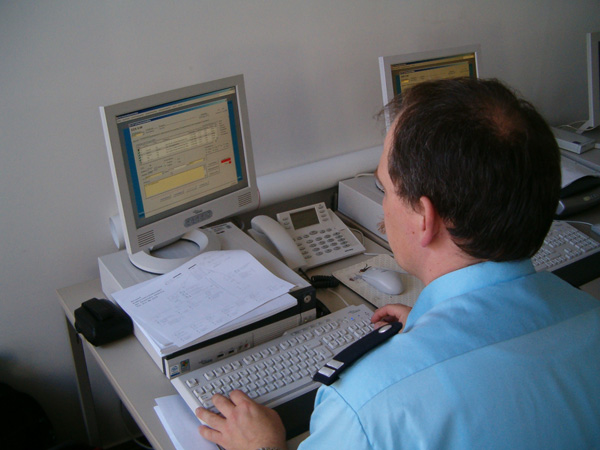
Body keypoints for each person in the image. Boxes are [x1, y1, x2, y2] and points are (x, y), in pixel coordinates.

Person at [195, 78, 600, 449]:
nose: (383, 206)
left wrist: (263, 446)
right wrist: (430, 323)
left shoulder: (366, 407)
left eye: (383, 188)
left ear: (424, 218)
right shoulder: (589, 314)